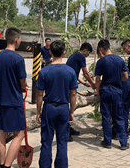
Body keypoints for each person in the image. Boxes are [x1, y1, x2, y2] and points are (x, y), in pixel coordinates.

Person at [36, 40, 78, 168]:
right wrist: (72, 111)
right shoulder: (70, 71)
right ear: (64, 53)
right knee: (62, 141)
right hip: (64, 108)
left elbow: (39, 94)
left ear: (50, 53)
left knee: (46, 140)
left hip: (49, 108)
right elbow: (73, 94)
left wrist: (38, 112)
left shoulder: (44, 71)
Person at [0, 27, 28, 168]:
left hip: (1, 100)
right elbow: (23, 82)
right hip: (14, 101)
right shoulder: (18, 59)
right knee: (19, 135)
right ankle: (7, 166)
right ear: (16, 40)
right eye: (20, 38)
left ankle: (2, 164)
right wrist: (24, 87)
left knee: (2, 134)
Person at [94, 39, 130, 150]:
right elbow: (126, 76)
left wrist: (97, 90)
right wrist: (117, 80)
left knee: (106, 117)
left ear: (101, 49)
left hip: (105, 90)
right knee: (118, 116)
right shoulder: (120, 60)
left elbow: (97, 80)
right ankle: (123, 143)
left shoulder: (101, 62)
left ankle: (107, 142)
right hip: (117, 91)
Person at [65, 42, 96, 141]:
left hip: (68, 81)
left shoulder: (73, 56)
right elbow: (86, 73)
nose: (88, 55)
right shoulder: (81, 57)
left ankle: (68, 128)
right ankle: (66, 131)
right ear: (85, 50)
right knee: (69, 106)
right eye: (89, 53)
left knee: (69, 105)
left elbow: (76, 74)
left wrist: (84, 83)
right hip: (69, 84)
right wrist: (93, 84)